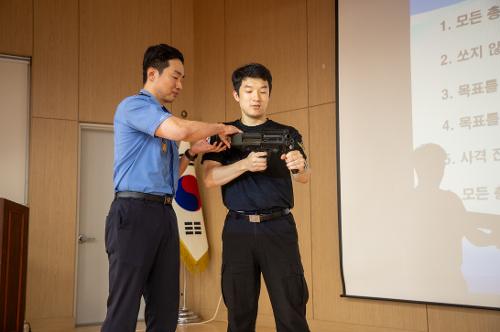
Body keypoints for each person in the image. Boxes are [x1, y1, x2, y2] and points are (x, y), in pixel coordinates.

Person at [102, 43, 239, 332]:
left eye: (182, 79)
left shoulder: (162, 119)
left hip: (164, 214)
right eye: (175, 76)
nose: (180, 85)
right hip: (133, 212)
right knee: (124, 307)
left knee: (166, 307)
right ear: (152, 73)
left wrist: (190, 154)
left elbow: (168, 178)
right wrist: (219, 127)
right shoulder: (135, 106)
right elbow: (181, 130)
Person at [202, 63, 311, 332]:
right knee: (239, 311)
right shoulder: (223, 134)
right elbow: (209, 178)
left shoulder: (287, 133)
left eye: (263, 90)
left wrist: (300, 165)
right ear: (236, 95)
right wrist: (244, 165)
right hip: (238, 229)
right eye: (249, 90)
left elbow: (304, 176)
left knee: (291, 309)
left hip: (279, 229)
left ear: (269, 94)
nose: (256, 97)